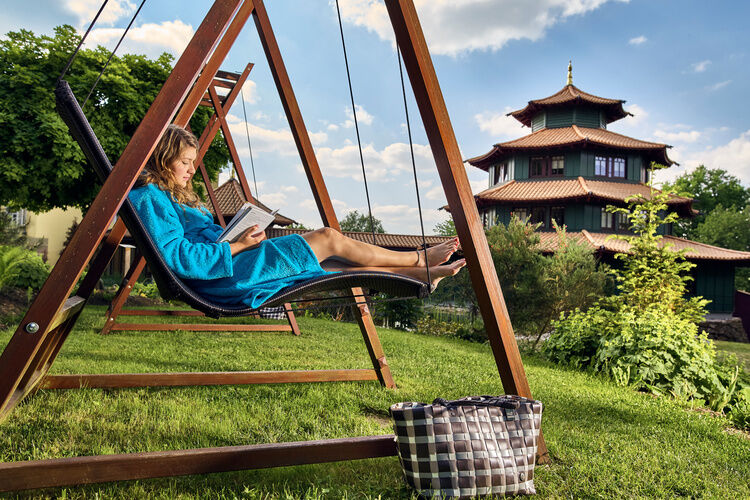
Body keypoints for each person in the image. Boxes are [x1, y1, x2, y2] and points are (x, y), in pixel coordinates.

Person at [129, 125, 465, 309]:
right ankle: (417, 257)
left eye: (192, 161)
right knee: (327, 238)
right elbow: (178, 257)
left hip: (231, 265)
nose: (191, 169)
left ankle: (420, 274)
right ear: (163, 158)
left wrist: (235, 236)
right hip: (223, 277)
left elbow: (192, 243)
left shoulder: (169, 195)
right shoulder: (150, 197)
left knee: (332, 265)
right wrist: (234, 247)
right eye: (185, 161)